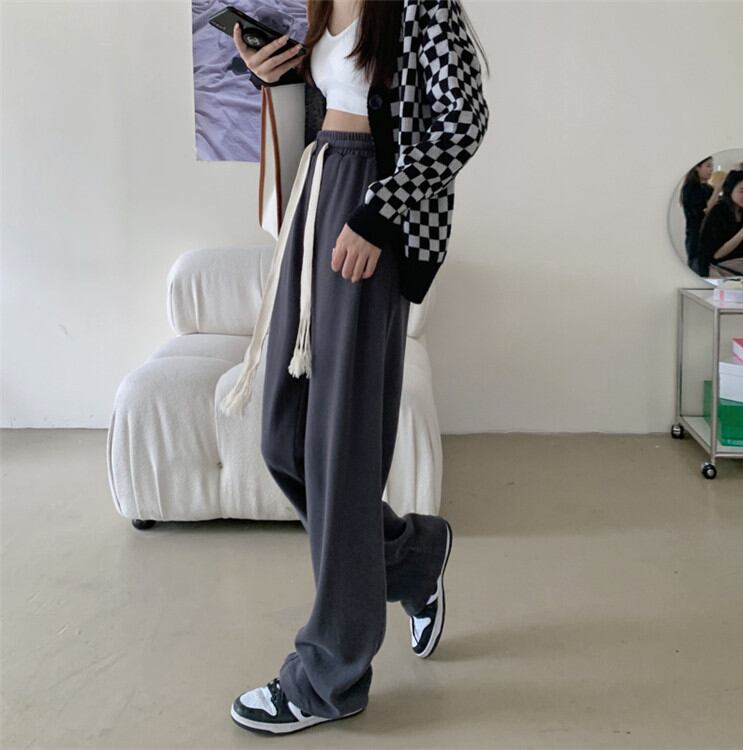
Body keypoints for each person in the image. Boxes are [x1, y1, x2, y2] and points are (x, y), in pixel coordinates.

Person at [223, 0, 490, 735]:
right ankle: (410, 558)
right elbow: (327, 104)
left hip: (369, 204)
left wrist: (383, 214)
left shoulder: (420, 4)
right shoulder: (316, 3)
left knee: (340, 449)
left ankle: (329, 676)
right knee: (284, 437)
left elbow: (463, 119)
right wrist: (270, 77)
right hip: (316, 194)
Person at [696, 169, 743, 277]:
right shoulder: (717, 213)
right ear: (730, 190)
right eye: (742, 191)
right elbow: (716, 255)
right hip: (719, 269)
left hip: (742, 267)